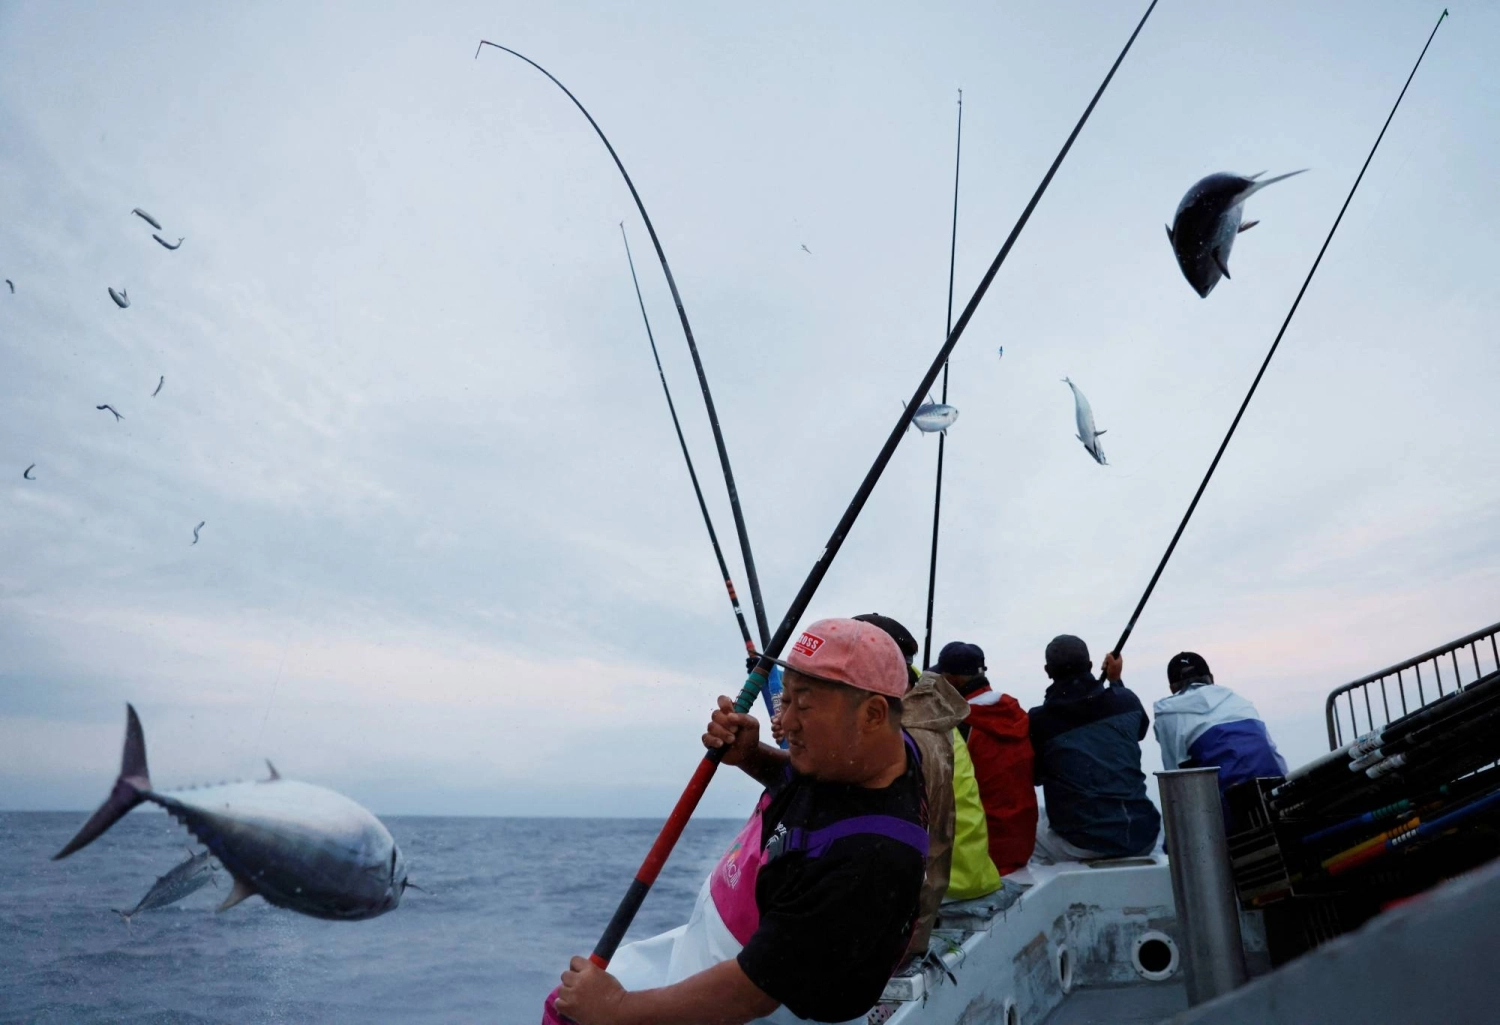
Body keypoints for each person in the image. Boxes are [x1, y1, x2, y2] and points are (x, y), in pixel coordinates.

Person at [553, 618, 928, 1025]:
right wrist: (751, 755)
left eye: (803, 704)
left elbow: (751, 994)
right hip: (717, 942)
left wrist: (617, 1009)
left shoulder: (871, 862)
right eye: (785, 699)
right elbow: (818, 789)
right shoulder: (872, 754)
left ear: (873, 714)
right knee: (563, 1003)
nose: (785, 722)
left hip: (755, 1001)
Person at [1027, 635, 1160, 862]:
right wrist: (1115, 681)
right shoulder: (1125, 701)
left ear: (1047, 671)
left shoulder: (1038, 721)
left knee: (1029, 836)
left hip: (1082, 843)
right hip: (1142, 834)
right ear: (1089, 666)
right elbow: (1139, 731)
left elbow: (1036, 777)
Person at [934, 641, 1038, 874]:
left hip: (983, 854)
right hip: (1021, 845)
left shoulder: (959, 727)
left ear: (954, 681)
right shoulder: (1018, 715)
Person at [1153, 651, 1288, 827]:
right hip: (1276, 786)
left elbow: (1175, 778)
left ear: (1172, 688)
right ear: (1211, 678)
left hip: (1231, 803)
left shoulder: (1167, 713)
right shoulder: (1239, 701)